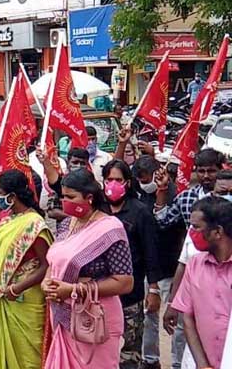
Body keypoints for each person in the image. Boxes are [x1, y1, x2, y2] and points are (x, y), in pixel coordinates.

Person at [42, 169, 134, 369]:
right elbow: (55, 260)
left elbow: (125, 282)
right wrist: (47, 281)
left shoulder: (110, 229)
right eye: (63, 196)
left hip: (95, 319)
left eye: (70, 197)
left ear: (89, 197)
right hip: (63, 316)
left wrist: (74, 290)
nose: (64, 201)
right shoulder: (67, 224)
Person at [0, 170, 52, 369]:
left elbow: (47, 266)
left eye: (1, 193)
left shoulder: (35, 225)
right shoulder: (7, 219)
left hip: (27, 299)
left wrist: (17, 288)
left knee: (29, 356)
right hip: (7, 297)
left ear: (12, 197)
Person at [163, 170, 232, 368]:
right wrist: (202, 364)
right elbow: (188, 317)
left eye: (196, 227)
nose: (191, 233)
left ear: (217, 232)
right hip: (198, 360)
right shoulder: (195, 264)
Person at [100, 159, 161, 369]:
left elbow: (151, 253)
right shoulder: (98, 210)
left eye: (118, 179)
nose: (113, 184)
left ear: (127, 182)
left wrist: (153, 289)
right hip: (101, 293)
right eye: (109, 179)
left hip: (131, 295)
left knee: (130, 350)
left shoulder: (140, 212)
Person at [133, 156, 186, 369]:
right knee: (149, 317)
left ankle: (177, 362)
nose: (143, 182)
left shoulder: (177, 196)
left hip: (172, 267)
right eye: (139, 179)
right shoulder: (138, 195)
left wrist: (162, 193)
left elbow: (162, 222)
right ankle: (150, 359)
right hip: (149, 267)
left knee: (178, 322)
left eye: (146, 178)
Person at [155, 148, 224, 228]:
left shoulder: (228, 197)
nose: (206, 176)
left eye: (211, 171)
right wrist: (162, 188)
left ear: (220, 170)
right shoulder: (186, 197)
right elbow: (163, 221)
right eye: (201, 171)